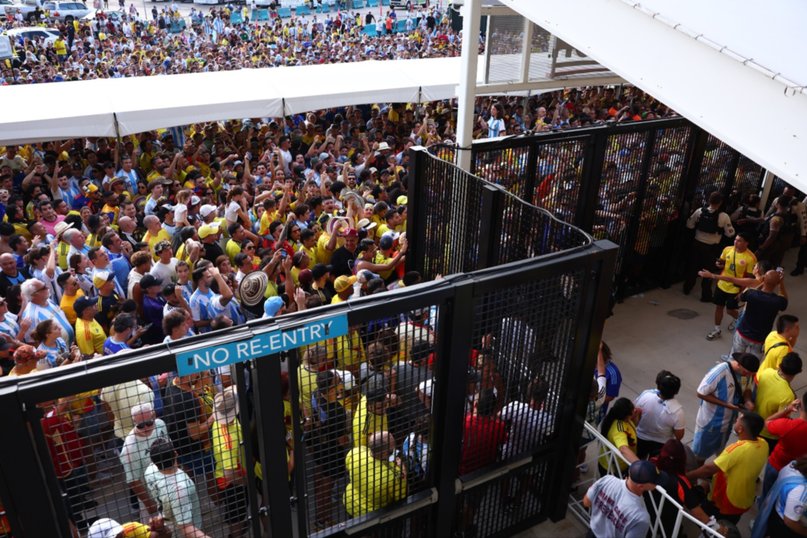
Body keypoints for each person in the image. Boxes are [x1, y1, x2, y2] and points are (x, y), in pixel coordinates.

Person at [688, 411, 769, 523]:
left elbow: (709, 469)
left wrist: (688, 475)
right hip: (745, 499)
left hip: (726, 501)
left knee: (710, 522)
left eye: (737, 420)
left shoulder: (737, 449)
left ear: (740, 429)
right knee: (731, 522)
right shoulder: (763, 443)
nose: (735, 421)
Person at [692, 353, 759, 462]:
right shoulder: (720, 372)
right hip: (710, 423)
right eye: (746, 372)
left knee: (720, 450)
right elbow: (701, 392)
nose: (747, 376)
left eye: (750, 374)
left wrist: (747, 400)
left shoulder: (748, 374)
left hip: (727, 423)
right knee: (699, 456)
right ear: (738, 364)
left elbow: (747, 388)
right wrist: (727, 405)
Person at [143, 438, 209, 538]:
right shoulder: (180, 489)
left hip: (167, 522)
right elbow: (186, 528)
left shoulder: (149, 471)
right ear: (176, 453)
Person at [583, 460, 661, 538]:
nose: (657, 483)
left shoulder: (607, 480)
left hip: (592, 534)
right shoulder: (641, 517)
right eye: (654, 481)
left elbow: (586, 502)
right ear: (641, 486)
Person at [210, 387, 248, 538]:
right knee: (236, 514)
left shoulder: (219, 422)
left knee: (236, 510)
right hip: (232, 481)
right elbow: (229, 474)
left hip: (234, 474)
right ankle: (236, 535)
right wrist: (246, 481)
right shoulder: (228, 442)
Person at [119, 402, 168, 517]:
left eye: (149, 423)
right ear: (134, 422)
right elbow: (133, 481)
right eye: (140, 425)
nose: (146, 428)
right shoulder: (129, 448)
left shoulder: (160, 425)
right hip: (152, 494)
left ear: (154, 416)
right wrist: (150, 505)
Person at [684, 192, 735, 302]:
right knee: (708, 272)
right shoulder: (724, 216)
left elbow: (689, 225)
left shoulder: (699, 211)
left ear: (708, 200)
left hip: (697, 244)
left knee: (693, 268)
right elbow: (730, 233)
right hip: (711, 248)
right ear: (720, 203)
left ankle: (687, 288)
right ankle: (706, 295)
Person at [343, 431, 407, 518]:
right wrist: (403, 472)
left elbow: (348, 466)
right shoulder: (393, 474)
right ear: (384, 453)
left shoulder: (356, 452)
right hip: (372, 515)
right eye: (391, 451)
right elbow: (401, 496)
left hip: (350, 503)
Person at [706, 233, 756, 341]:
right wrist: (719, 264)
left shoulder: (751, 258)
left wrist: (742, 292)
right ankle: (717, 329)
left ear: (746, 243)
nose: (736, 242)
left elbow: (749, 278)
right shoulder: (727, 249)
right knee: (719, 307)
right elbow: (722, 262)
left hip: (735, 288)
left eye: (739, 240)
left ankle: (738, 319)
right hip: (722, 284)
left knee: (730, 310)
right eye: (735, 240)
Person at [761, 392, 807, 500]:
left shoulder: (788, 426)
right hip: (800, 473)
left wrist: (787, 409)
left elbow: (767, 422)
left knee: (767, 494)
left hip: (777, 465)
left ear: (801, 406)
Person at [756, 353, 802, 453]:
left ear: (781, 365)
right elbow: (779, 420)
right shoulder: (788, 395)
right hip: (767, 433)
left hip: (753, 421)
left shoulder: (767, 372)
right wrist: (788, 409)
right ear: (797, 372)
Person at [633, 370, 685, 458]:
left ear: (659, 387)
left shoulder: (646, 395)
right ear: (676, 392)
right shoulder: (678, 412)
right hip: (661, 445)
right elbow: (679, 436)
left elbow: (634, 413)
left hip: (640, 438)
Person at [752, 456, 807, 538]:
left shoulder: (793, 465)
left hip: (776, 509)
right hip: (784, 525)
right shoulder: (801, 490)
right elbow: (790, 521)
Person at [598, 397, 640, 476]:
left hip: (620, 464)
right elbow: (623, 448)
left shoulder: (624, 420)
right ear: (626, 415)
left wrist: (636, 416)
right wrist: (640, 466)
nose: (635, 410)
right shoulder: (619, 429)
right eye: (633, 410)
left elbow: (633, 427)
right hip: (612, 469)